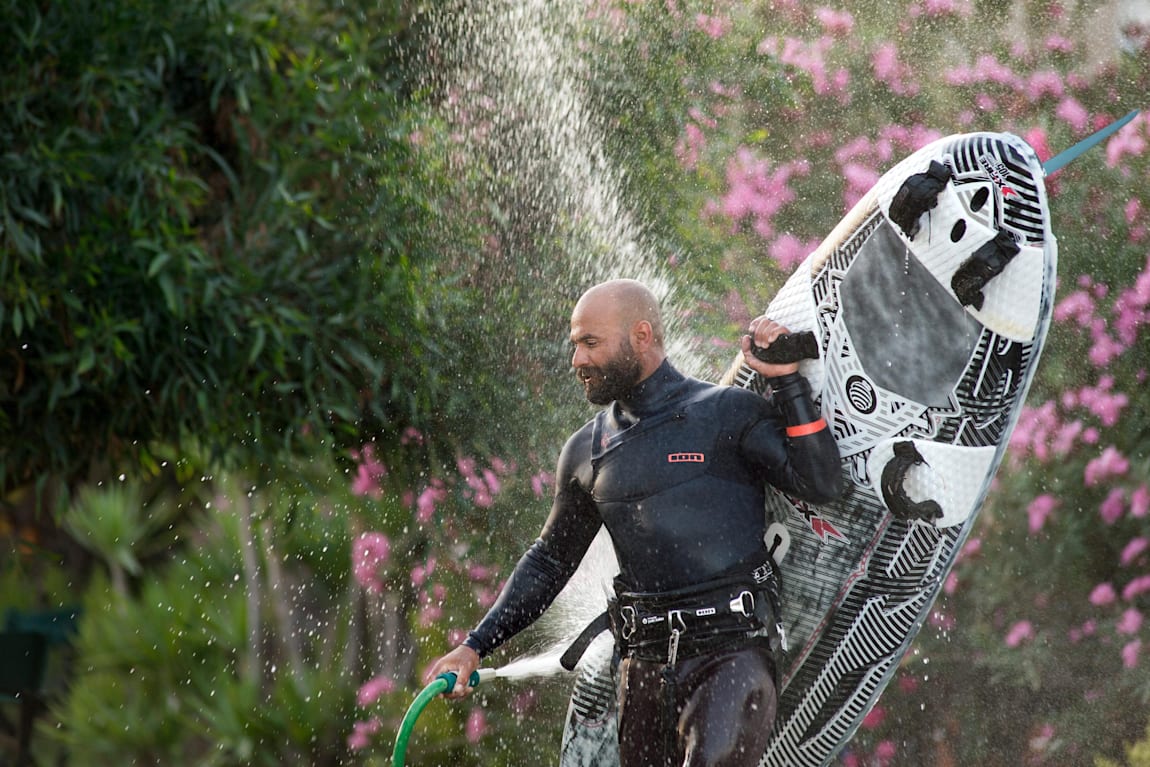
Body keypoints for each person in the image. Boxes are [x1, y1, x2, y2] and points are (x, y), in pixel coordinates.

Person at [424, 278, 842, 767]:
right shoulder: (586, 451)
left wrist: (786, 380)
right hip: (641, 671)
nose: (577, 359)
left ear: (641, 335)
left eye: (591, 343)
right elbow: (550, 561)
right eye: (575, 345)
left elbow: (822, 483)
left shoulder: (726, 413)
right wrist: (474, 647)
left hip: (730, 657)